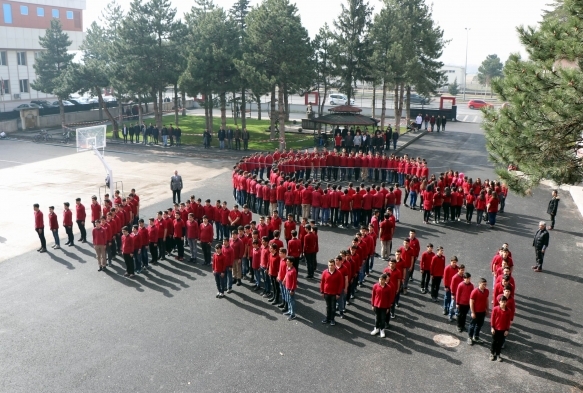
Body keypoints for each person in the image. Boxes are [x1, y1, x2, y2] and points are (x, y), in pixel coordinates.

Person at [320, 259, 344, 326]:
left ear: (334, 265)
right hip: (326, 293)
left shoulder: (338, 273)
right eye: (329, 265)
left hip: (334, 294)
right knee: (328, 307)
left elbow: (340, 284)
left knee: (333, 308)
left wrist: (338, 293)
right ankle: (327, 318)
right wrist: (322, 291)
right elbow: (322, 282)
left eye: (332, 265)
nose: (330, 266)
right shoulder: (325, 272)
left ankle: (332, 319)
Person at [370, 273, 394, 338]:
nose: (381, 281)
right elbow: (373, 296)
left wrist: (388, 307)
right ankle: (376, 328)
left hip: (384, 306)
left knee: (383, 318)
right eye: (380, 279)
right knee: (377, 318)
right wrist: (372, 304)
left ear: (385, 280)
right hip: (376, 305)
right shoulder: (375, 286)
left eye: (383, 280)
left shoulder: (388, 288)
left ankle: (382, 330)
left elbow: (389, 298)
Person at [490, 295, 512, 361]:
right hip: (495, 329)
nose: (503, 303)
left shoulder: (508, 311)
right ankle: (492, 353)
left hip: (503, 330)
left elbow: (508, 321)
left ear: (506, 302)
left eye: (504, 302)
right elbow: (492, 319)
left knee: (500, 343)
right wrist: (492, 327)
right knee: (494, 342)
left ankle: (498, 354)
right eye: (502, 302)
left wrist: (507, 330)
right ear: (499, 302)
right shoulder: (495, 309)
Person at [468, 278, 489, 345]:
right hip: (476, 312)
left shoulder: (486, 291)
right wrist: (472, 312)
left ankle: (476, 336)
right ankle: (470, 337)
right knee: (472, 325)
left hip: (482, 312)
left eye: (485, 284)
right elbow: (471, 302)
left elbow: (486, 300)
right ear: (479, 284)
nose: (485, 286)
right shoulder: (474, 292)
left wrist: (487, 309)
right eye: (483, 284)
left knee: (479, 325)